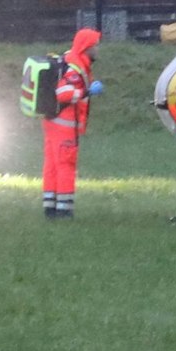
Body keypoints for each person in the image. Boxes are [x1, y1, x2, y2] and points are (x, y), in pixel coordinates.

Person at [41, 27, 101, 220]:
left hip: (53, 123)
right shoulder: (75, 70)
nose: (97, 50)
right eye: (95, 46)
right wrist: (86, 92)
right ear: (87, 47)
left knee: (52, 165)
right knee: (66, 165)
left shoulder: (71, 62)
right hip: (65, 126)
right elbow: (63, 93)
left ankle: (50, 206)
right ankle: (64, 210)